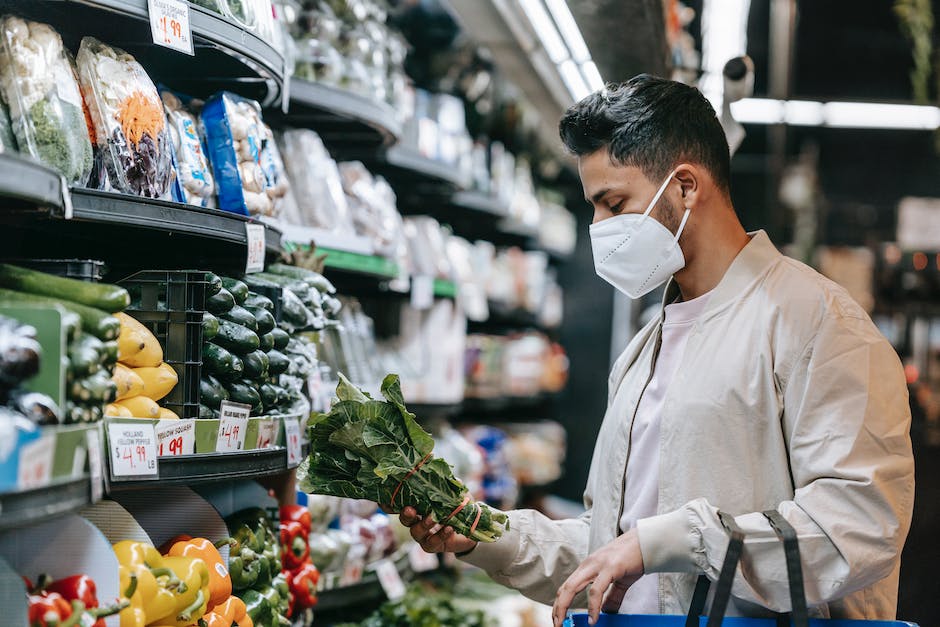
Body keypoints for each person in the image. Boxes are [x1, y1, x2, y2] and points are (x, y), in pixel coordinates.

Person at [399, 74, 915, 625]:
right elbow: (611, 547)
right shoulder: (644, 350)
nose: (598, 227)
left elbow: (857, 527)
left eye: (613, 203)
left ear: (686, 187)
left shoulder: (816, 324)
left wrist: (674, 539)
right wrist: (483, 534)